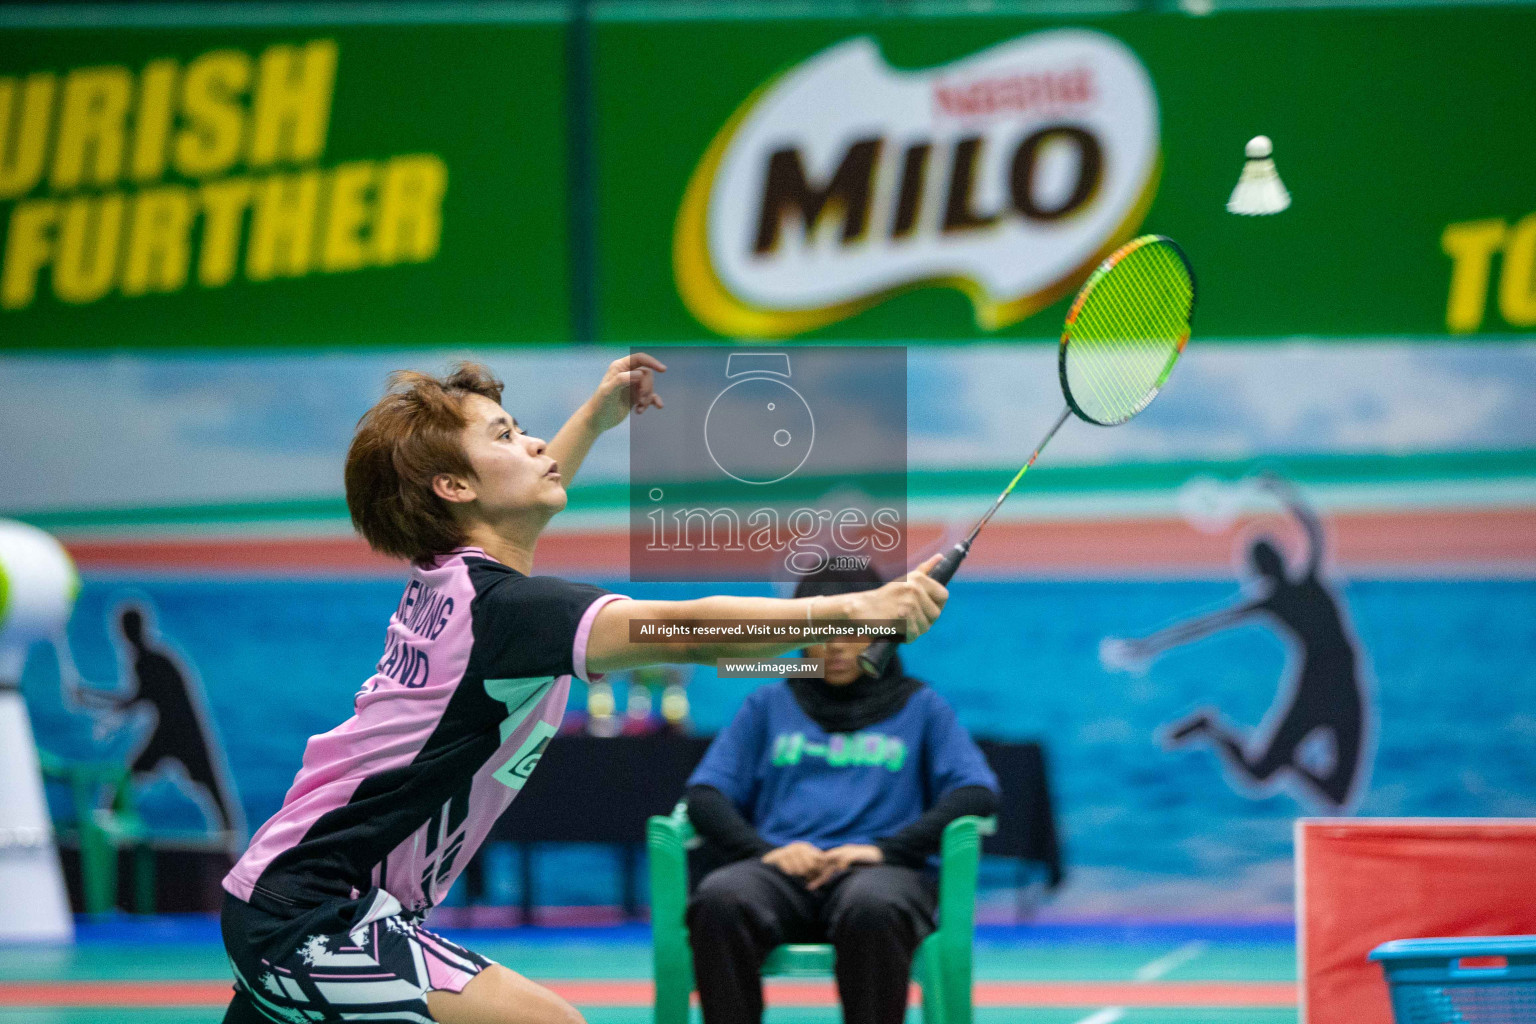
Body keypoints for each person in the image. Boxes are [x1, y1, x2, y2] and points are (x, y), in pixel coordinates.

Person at [217, 358, 948, 1024]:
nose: (536, 447)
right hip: (314, 916)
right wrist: (857, 609)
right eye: (508, 435)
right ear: (453, 486)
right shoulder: (507, 613)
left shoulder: (451, 579)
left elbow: (516, 488)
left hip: (304, 897)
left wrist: (599, 415)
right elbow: (689, 631)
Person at [684, 566, 998, 1024]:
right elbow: (705, 794)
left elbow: (976, 794)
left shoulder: (922, 707)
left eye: (850, 631)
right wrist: (768, 853)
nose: (834, 646)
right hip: (781, 871)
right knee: (720, 898)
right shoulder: (768, 703)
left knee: (873, 905)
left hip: (881, 873)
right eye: (819, 631)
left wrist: (884, 850)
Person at [1102, 472, 1369, 811]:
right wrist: (1150, 646)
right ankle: (1211, 729)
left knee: (1336, 795)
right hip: (1315, 686)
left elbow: (1311, 530)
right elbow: (1207, 624)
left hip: (1346, 686)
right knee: (1259, 773)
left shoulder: (1308, 582)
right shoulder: (1274, 601)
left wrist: (1283, 493)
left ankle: (1270, 753)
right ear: (1264, 570)